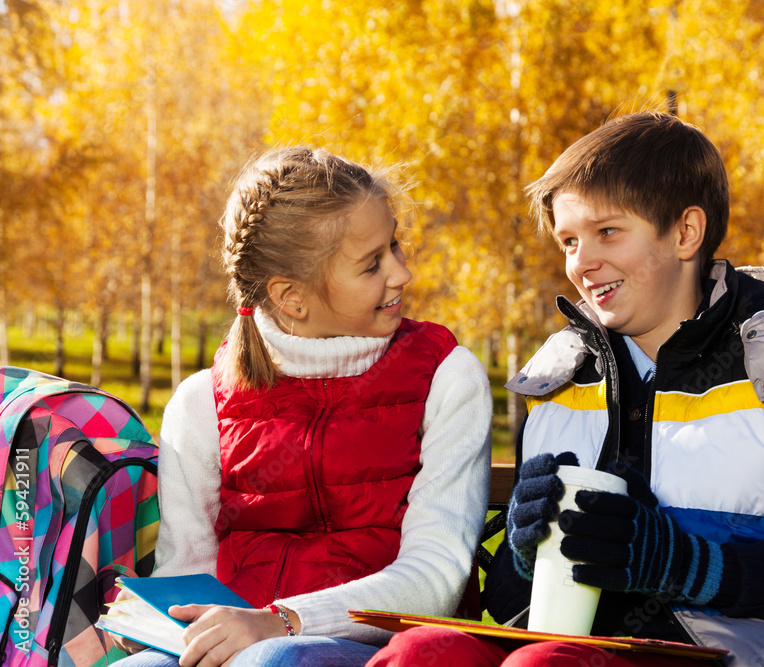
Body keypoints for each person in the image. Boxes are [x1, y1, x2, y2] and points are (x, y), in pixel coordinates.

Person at [367, 111, 764, 667]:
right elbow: (516, 607)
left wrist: (683, 565)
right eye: (568, 241)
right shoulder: (557, 381)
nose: (582, 262)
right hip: (586, 652)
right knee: (422, 652)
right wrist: (524, 552)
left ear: (685, 233)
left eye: (608, 232)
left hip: (751, 653)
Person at [114, 146, 493, 667]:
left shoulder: (446, 376)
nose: (401, 273)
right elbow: (186, 573)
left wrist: (281, 621)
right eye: (371, 264)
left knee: (273, 662)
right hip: (243, 640)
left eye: (395, 246)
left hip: (379, 649)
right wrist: (158, 625)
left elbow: (436, 578)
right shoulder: (201, 401)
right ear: (291, 297)